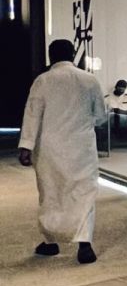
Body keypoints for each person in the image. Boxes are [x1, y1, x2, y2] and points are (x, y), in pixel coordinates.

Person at [17, 40, 107, 263]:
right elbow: (101, 116)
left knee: (51, 193)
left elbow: (32, 114)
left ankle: (51, 242)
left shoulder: (43, 80)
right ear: (73, 54)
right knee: (84, 193)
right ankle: (84, 244)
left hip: (50, 148)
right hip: (81, 147)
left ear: (51, 55)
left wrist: (26, 146)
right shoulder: (89, 80)